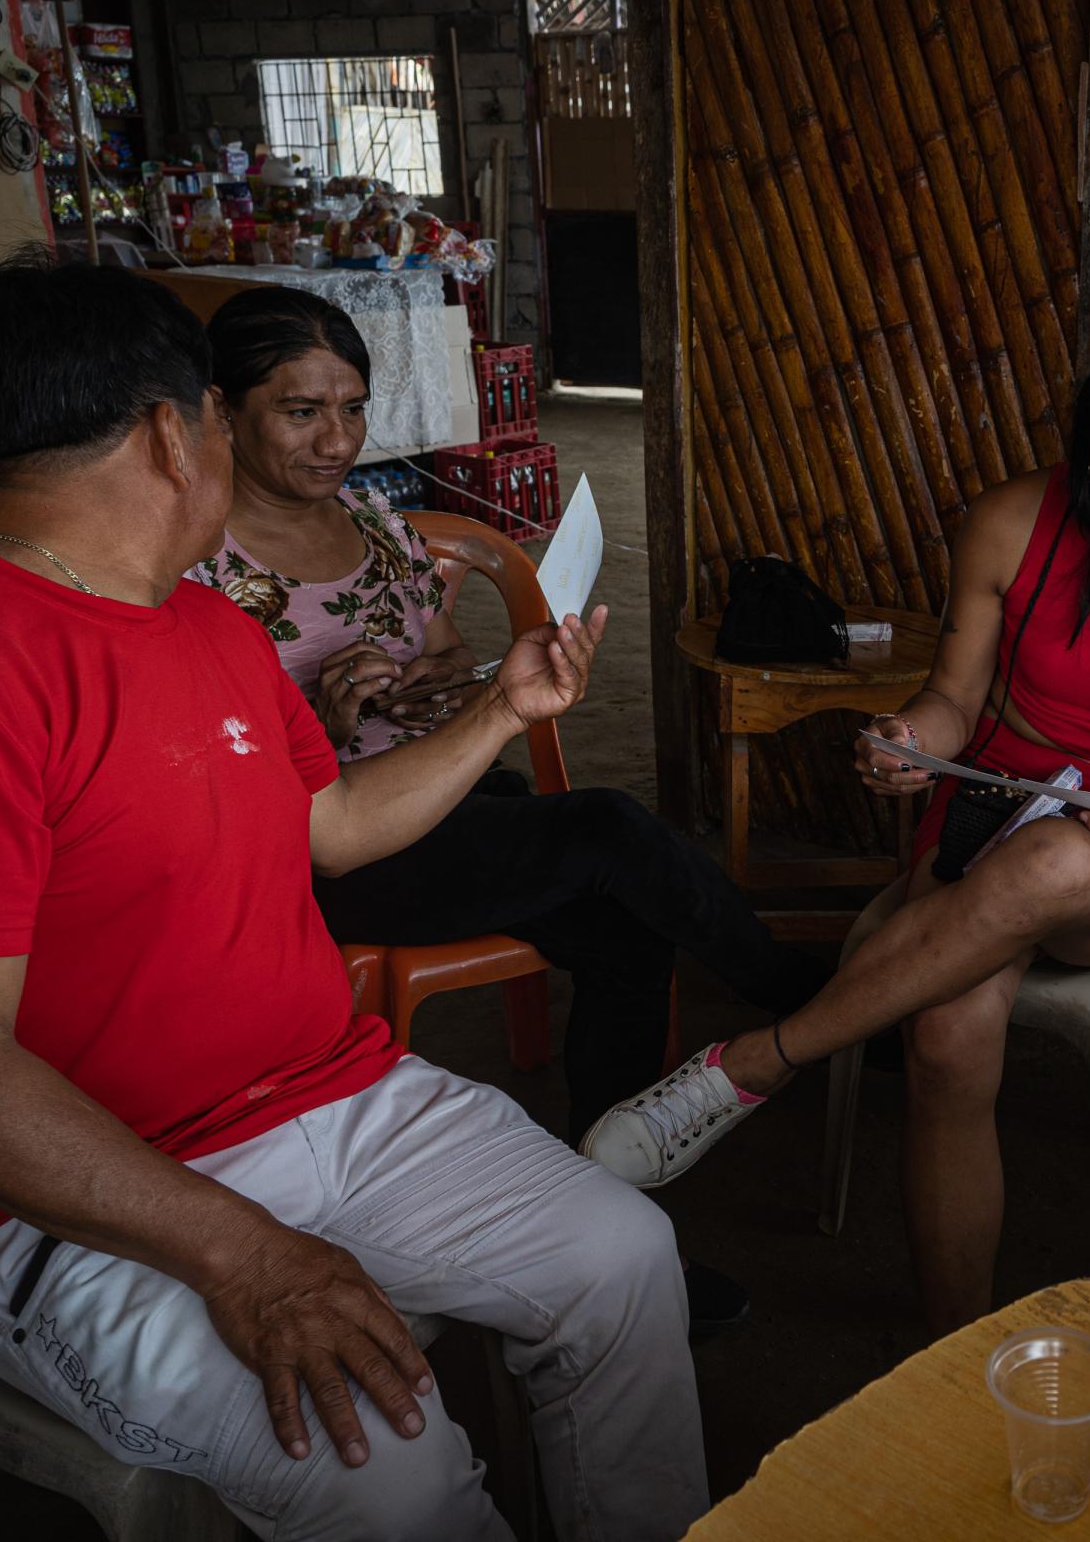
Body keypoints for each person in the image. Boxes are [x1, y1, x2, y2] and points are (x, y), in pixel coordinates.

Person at [0, 252, 706, 1541]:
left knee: (621, 1258)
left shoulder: (208, 625)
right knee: (382, 1469)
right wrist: (241, 1250)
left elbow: (329, 829)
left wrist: (504, 707)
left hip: (326, 1092)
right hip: (74, 1203)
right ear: (176, 433)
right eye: (231, 415)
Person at [583, 310, 1090, 1333]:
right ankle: (953, 1343)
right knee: (943, 1032)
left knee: (1058, 861)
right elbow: (953, 701)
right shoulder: (1014, 519)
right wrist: (906, 735)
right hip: (987, 803)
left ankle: (759, 1062)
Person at [184, 286, 825, 1334]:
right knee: (609, 829)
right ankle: (799, 1004)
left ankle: (618, 1236)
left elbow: (431, 652)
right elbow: (206, 767)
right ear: (223, 409)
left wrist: (442, 681)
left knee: (623, 925)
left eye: (351, 408)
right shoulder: (196, 566)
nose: (336, 438)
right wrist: (317, 715)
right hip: (322, 850)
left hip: (446, 797)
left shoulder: (374, 525)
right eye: (301, 410)